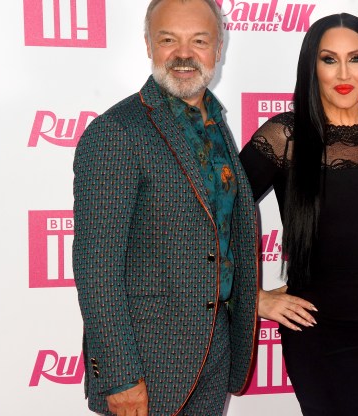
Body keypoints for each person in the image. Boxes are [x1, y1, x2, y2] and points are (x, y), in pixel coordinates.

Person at [72, 0, 259, 414]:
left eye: (199, 40)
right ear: (148, 45)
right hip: (147, 366)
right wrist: (119, 376)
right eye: (168, 40)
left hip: (214, 351)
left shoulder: (216, 124)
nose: (184, 54)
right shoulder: (116, 132)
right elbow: (95, 264)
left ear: (219, 47)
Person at [239, 13, 358, 416]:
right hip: (317, 330)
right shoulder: (283, 136)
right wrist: (252, 298)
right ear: (312, 66)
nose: (343, 72)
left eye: (355, 58)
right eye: (329, 59)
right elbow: (215, 217)